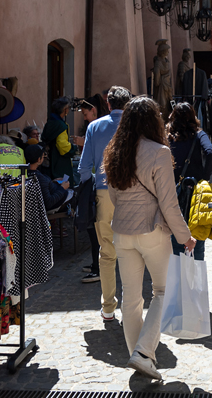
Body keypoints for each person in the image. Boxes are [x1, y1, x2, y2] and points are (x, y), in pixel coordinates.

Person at [104, 96, 196, 381]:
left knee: (130, 298)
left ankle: (140, 356)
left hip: (122, 231)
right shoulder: (158, 152)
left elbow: (114, 195)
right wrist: (185, 236)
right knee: (163, 292)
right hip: (152, 231)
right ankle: (144, 353)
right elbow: (169, 204)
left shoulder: (115, 151)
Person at [79, 86, 130, 303]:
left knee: (107, 253)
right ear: (127, 104)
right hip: (131, 193)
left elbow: (84, 168)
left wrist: (85, 193)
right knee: (131, 252)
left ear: (108, 104)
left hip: (104, 192)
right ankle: (131, 305)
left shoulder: (94, 127)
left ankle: (108, 304)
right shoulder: (135, 127)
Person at [166, 102, 212, 259]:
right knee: (197, 230)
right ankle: (197, 271)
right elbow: (211, 153)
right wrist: (205, 177)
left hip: (173, 190)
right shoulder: (198, 134)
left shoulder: (168, 137)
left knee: (175, 231)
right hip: (195, 190)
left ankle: (178, 271)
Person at [42, 97, 80, 183]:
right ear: (65, 110)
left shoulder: (50, 122)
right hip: (59, 164)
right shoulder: (61, 126)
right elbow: (63, 147)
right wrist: (74, 148)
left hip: (49, 164)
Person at [28, 144, 73, 213]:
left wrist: (52, 182)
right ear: (38, 159)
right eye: (43, 156)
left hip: (53, 191)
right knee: (74, 193)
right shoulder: (38, 178)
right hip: (56, 201)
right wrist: (62, 188)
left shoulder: (27, 173)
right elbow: (49, 203)